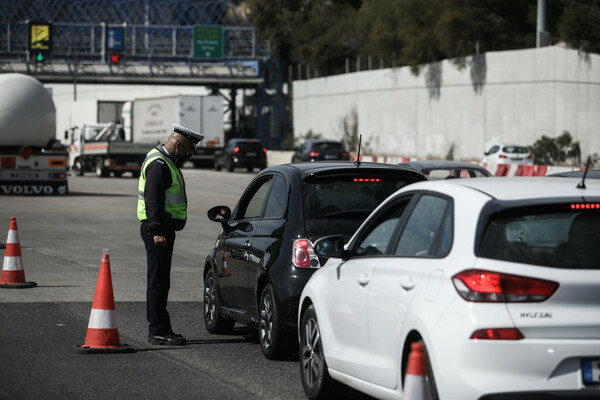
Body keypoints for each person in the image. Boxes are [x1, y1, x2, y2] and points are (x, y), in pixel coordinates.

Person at [137, 123, 203, 345]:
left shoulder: (163, 160)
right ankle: (158, 330)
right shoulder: (159, 164)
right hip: (158, 231)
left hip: (162, 229)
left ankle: (160, 327)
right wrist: (157, 231)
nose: (187, 155)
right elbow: (153, 200)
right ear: (177, 144)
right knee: (158, 281)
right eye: (186, 150)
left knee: (161, 280)